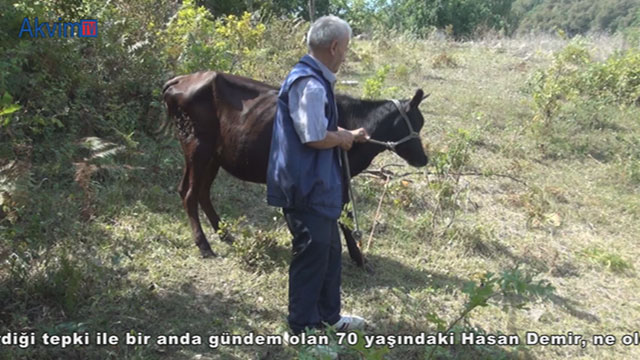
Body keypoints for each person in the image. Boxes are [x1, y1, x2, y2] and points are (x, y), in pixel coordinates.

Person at [266, 15, 368, 335]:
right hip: (306, 188)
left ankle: (329, 316)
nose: (346, 55)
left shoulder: (315, 79)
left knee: (329, 253)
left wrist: (348, 133)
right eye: (346, 48)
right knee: (312, 258)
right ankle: (303, 328)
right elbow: (313, 136)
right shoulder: (309, 83)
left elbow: (317, 127)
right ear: (335, 46)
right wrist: (342, 138)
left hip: (318, 185)